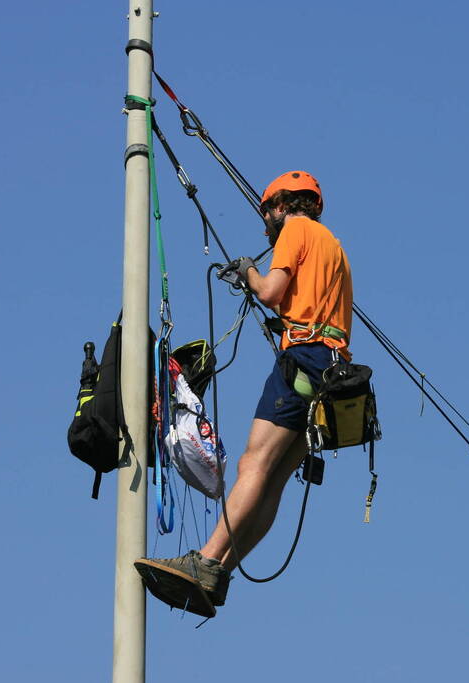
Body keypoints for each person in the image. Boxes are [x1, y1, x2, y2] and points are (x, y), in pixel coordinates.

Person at [136, 171, 353, 612]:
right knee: (272, 479)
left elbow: (273, 291)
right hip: (332, 371)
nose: (266, 228)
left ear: (279, 206)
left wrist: (250, 273)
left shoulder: (294, 229)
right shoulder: (333, 246)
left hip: (305, 359)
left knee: (254, 463)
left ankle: (206, 559)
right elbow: (307, 306)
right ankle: (219, 574)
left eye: (266, 215)